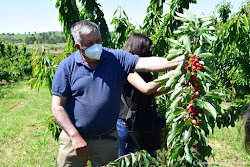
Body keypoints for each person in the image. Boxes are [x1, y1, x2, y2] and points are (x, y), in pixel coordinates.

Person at [51, 19, 185, 167]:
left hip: (107, 140)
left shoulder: (116, 58)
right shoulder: (67, 67)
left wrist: (179, 61)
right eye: (90, 43)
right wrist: (75, 136)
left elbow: (147, 63)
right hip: (74, 140)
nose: (96, 46)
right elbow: (58, 106)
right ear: (79, 46)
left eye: (99, 40)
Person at [117, 33, 173, 159]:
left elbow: (152, 93)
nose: (149, 52)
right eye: (146, 49)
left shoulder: (144, 71)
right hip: (128, 125)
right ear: (137, 48)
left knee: (150, 159)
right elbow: (146, 89)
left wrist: (171, 85)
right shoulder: (126, 69)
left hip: (145, 121)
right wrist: (170, 75)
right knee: (125, 160)